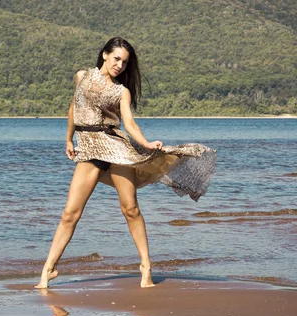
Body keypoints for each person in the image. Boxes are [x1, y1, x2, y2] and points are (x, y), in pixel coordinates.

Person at [35, 37, 216, 289]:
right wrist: (68, 139)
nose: (119, 65)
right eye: (116, 58)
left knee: (130, 208)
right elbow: (73, 109)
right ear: (105, 55)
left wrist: (146, 142)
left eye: (125, 62)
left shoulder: (122, 91)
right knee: (70, 214)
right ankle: (49, 270)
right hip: (89, 150)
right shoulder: (82, 76)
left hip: (115, 148)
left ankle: (146, 267)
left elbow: (129, 123)